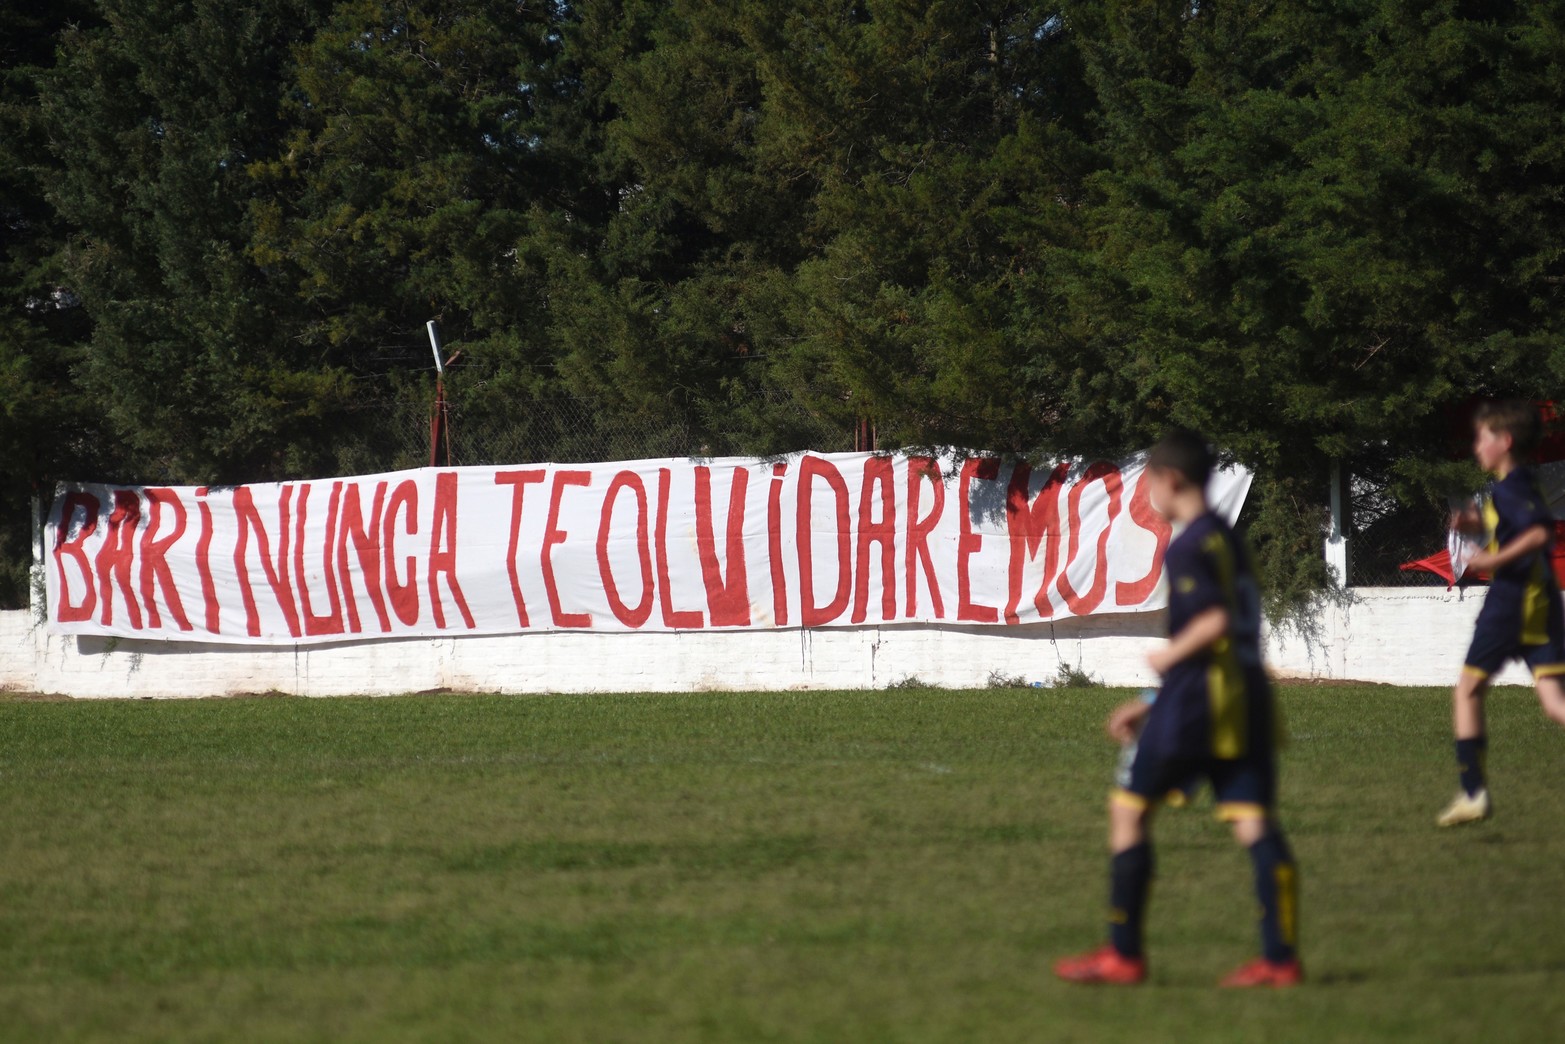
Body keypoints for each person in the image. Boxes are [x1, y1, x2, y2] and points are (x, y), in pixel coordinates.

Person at [1054, 428, 1302, 988]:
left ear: (1170, 480)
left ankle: (1123, 955)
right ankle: (1281, 960)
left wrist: (1166, 661)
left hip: (1195, 705)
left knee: (1128, 810)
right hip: (1246, 701)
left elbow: (1211, 623)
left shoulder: (1189, 545)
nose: (1146, 495)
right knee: (1254, 823)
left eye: (1148, 483)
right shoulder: (1227, 539)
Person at [1437, 399, 1565, 827]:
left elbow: (1537, 533)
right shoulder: (1519, 483)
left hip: (1511, 602)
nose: (1477, 446)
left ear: (1504, 442)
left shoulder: (1511, 487)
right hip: (1542, 602)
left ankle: (1473, 792)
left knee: (1467, 692)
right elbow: (1523, 526)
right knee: (1554, 703)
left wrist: (1492, 561)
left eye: (1483, 437)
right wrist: (1477, 528)